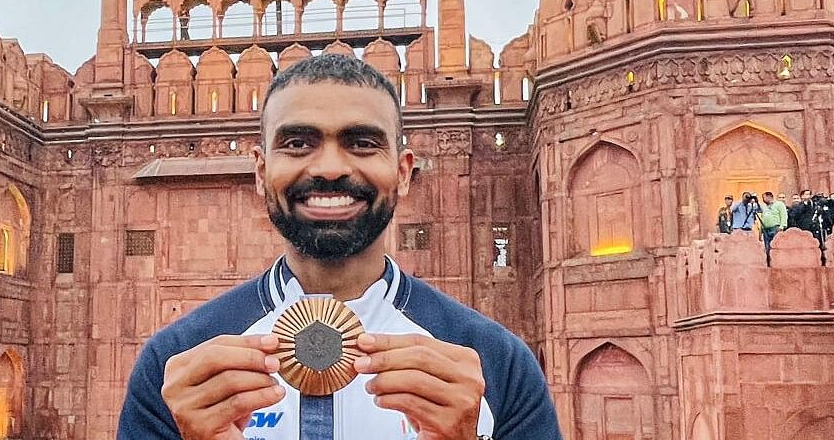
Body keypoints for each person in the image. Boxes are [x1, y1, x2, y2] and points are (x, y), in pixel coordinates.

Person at [117, 55, 562, 439]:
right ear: (260, 170)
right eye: (297, 143)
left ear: (404, 172)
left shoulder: (492, 364)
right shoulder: (179, 366)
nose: (330, 167)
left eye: (362, 143)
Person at [757, 191, 787, 258]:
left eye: (764, 198)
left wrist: (782, 226)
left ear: (769, 197)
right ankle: (769, 263)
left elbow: (783, 215)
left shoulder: (779, 204)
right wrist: (760, 231)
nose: (763, 200)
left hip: (775, 228)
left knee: (776, 246)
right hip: (765, 230)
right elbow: (763, 218)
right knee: (767, 247)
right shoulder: (764, 207)